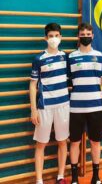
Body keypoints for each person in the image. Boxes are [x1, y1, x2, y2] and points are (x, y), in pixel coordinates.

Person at [68, 22, 102, 184]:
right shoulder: (71, 57)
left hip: (95, 106)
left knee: (95, 142)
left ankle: (96, 177)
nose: (85, 37)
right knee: (74, 142)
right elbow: (66, 82)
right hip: (76, 108)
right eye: (82, 35)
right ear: (78, 36)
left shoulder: (99, 55)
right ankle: (73, 179)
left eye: (88, 35)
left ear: (92, 36)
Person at [29, 23, 69, 184]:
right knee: (41, 144)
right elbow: (32, 85)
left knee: (62, 141)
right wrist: (34, 110)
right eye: (50, 36)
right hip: (44, 107)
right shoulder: (39, 59)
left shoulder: (65, 57)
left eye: (56, 36)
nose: (54, 39)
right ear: (46, 38)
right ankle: (39, 180)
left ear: (61, 37)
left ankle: (60, 176)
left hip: (63, 105)